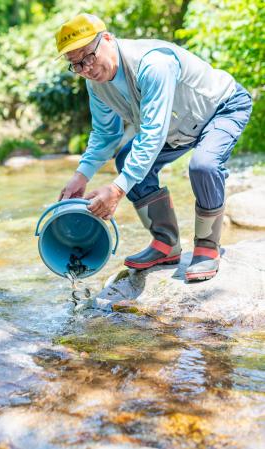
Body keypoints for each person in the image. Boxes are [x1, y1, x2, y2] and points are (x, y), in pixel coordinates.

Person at [55, 13, 252, 282]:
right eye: (75, 64)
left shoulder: (153, 63)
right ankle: (166, 244)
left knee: (203, 166)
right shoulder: (96, 85)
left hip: (221, 108)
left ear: (108, 39)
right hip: (177, 126)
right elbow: (105, 134)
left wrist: (116, 190)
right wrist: (81, 176)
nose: (86, 68)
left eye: (88, 56)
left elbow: (152, 134)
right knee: (126, 161)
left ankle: (207, 247)